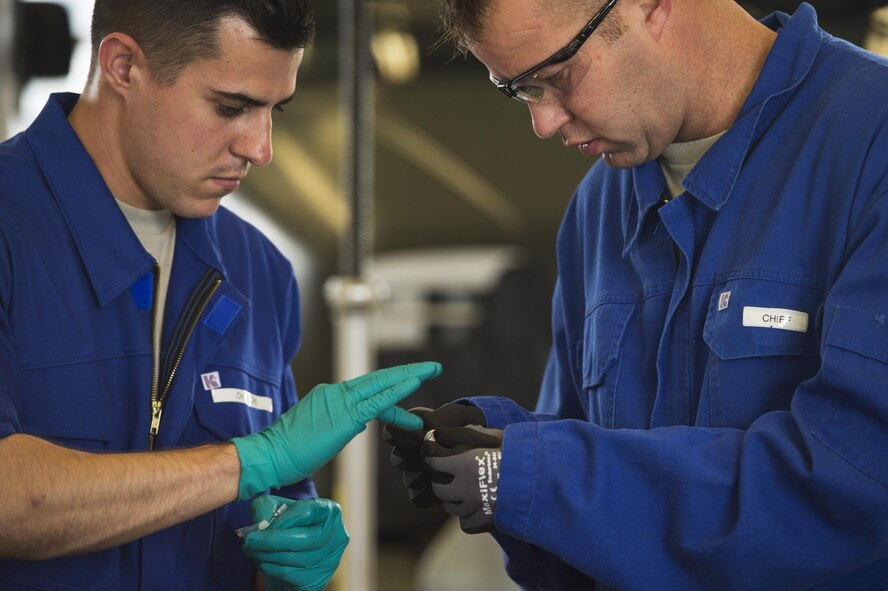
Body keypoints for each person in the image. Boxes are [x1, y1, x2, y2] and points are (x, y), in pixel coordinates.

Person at [385, 0, 888, 588]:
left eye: (557, 76)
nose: (543, 124)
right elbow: (579, 516)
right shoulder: (598, 211)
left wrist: (539, 475)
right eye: (519, 90)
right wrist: (494, 447)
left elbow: (854, 481)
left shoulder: (872, 149)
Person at [0, 1, 442, 589]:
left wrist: (292, 557)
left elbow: (274, 498)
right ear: (123, 65)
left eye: (273, 110)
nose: (261, 149)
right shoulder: (12, 228)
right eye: (231, 107)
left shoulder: (260, 271)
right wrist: (249, 462)